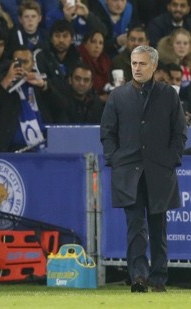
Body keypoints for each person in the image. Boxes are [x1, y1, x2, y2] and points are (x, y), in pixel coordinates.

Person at [100, 45, 187, 293]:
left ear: (154, 66)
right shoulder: (118, 96)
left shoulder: (168, 95)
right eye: (134, 63)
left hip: (160, 172)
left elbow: (179, 133)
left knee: (159, 228)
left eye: (142, 64)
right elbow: (107, 133)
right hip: (129, 172)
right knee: (135, 227)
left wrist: (171, 159)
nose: (137, 68)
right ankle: (139, 277)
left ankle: (158, 279)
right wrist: (115, 159)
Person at [0, 46, 66, 152]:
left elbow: (62, 107)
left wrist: (45, 87)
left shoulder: (39, 83)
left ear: (33, 63)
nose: (21, 66)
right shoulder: (0, 81)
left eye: (25, 62)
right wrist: (6, 81)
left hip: (42, 145)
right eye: (17, 62)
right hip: (11, 147)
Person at [78, 29, 112, 100]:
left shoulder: (105, 61)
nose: (97, 46)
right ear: (85, 44)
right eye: (93, 42)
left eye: (100, 43)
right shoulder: (78, 59)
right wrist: (100, 99)